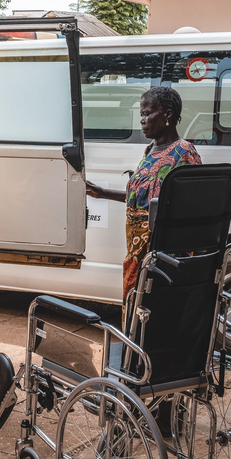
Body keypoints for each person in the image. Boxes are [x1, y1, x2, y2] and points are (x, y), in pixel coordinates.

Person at [86, 86, 202, 301]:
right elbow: (143, 200)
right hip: (135, 254)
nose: (142, 120)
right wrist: (102, 193)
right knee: (133, 310)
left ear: (167, 114)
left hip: (162, 255)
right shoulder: (150, 150)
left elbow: (190, 206)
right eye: (141, 114)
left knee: (154, 312)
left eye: (147, 113)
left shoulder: (183, 151)